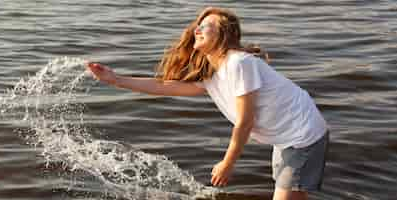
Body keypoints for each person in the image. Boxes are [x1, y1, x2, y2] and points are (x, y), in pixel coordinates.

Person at [86, 7, 329, 200]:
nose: (197, 31)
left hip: (302, 137)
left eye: (205, 27)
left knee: (289, 192)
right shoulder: (213, 71)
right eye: (197, 26)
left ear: (222, 35)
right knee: (292, 192)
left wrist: (227, 163)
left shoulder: (239, 63)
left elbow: (246, 121)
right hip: (285, 137)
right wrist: (115, 79)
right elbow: (164, 86)